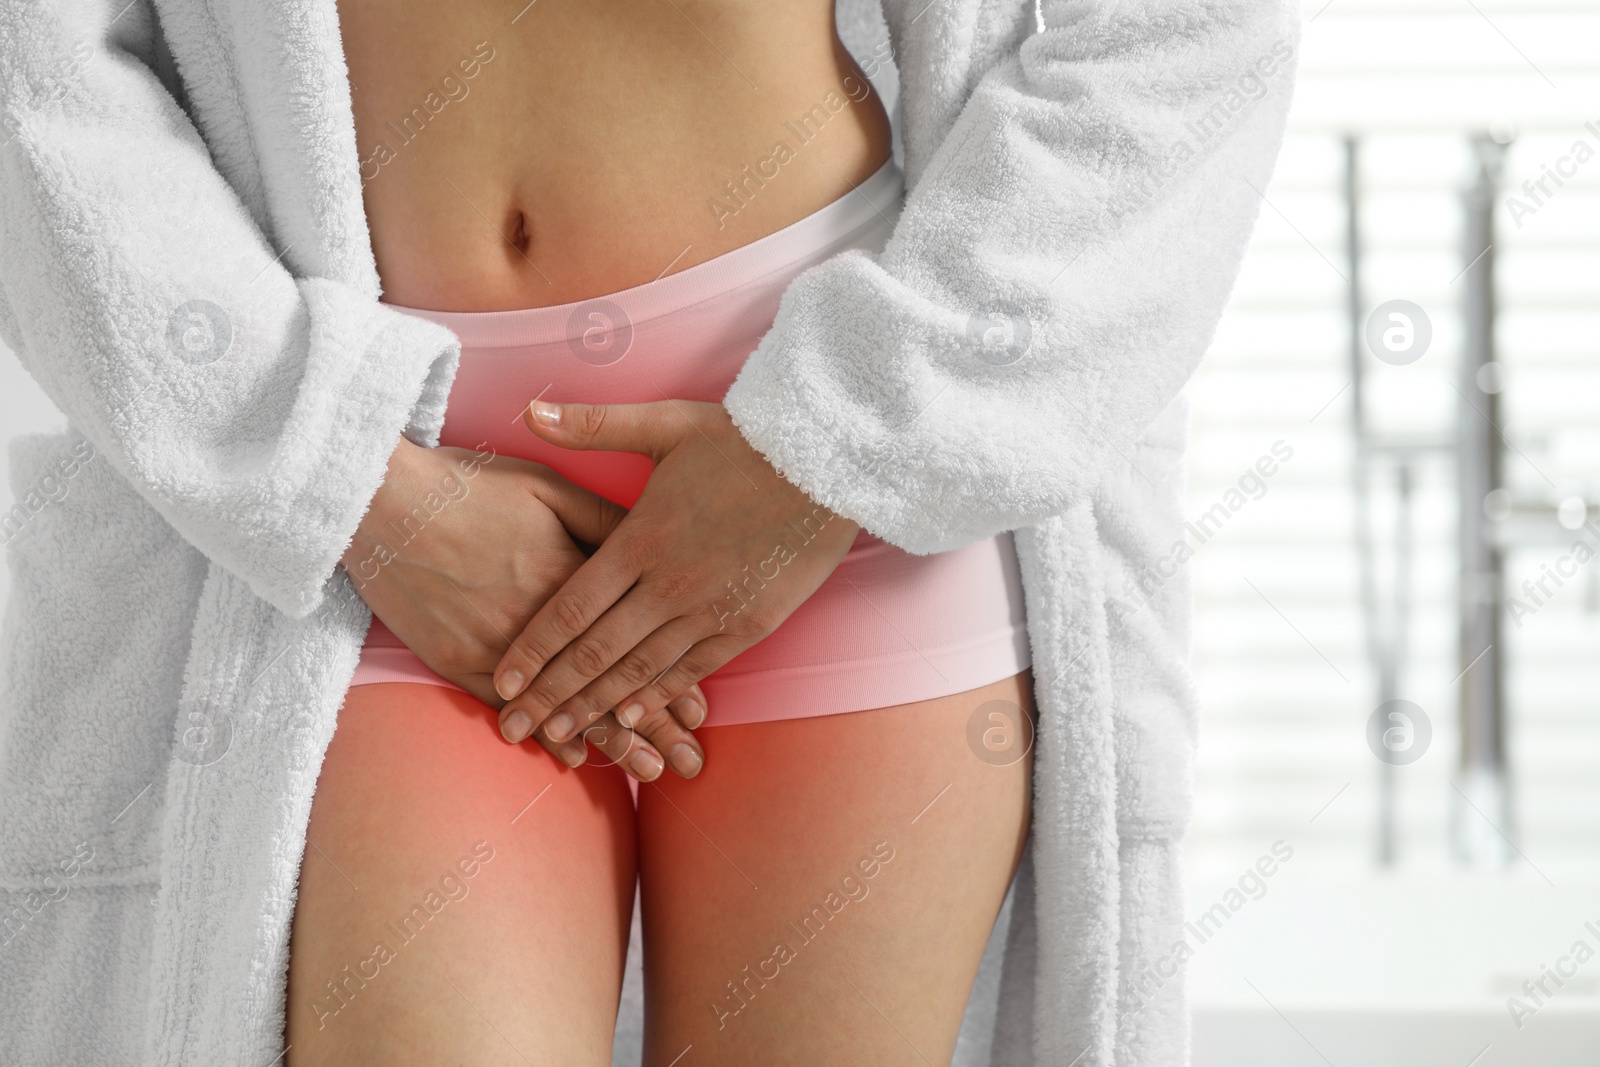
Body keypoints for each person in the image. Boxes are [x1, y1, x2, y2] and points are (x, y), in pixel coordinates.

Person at [0, 0, 1297, 1063]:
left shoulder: (838, 466)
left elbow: (1189, 29)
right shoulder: (372, 509)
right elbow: (35, 67)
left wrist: (830, 455)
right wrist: (348, 484)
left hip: (838, 505)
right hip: (392, 534)